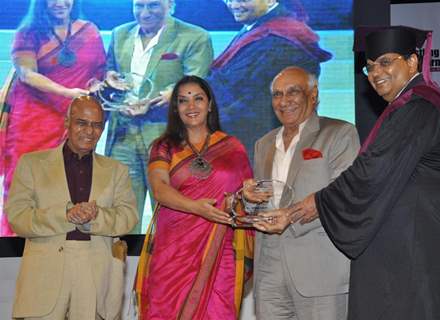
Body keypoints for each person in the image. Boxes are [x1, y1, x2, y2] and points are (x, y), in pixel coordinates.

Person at [254, 26, 440, 319]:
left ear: (412, 61)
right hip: (416, 246)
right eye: (370, 66)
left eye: (386, 62)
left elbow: (369, 175)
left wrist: (303, 209)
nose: (375, 73)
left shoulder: (417, 109)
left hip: (418, 252)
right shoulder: (411, 107)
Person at [6, 96, 138, 320]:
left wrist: (94, 218)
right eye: (81, 122)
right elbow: (17, 217)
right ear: (66, 122)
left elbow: (129, 217)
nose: (89, 131)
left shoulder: (117, 170)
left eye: (97, 125)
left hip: (96, 271)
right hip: (45, 273)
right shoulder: (31, 163)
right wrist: (65, 215)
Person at [134, 75, 253, 319]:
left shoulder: (233, 147)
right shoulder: (164, 147)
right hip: (173, 254)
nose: (191, 106)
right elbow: (159, 189)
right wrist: (197, 208)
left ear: (209, 104)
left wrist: (249, 195)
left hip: (220, 252)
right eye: (183, 101)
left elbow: (244, 196)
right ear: (175, 108)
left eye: (198, 98)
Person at [244, 66, 359, 319]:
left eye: (292, 92)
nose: (283, 101)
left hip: (319, 266)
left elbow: (343, 194)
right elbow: (264, 205)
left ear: (313, 94)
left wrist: (290, 216)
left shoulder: (339, 133)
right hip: (269, 267)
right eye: (276, 94)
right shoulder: (264, 143)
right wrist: (249, 200)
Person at [104, 0, 214, 232]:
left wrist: (161, 98)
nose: (144, 13)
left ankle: (169, 268)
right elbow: (109, 73)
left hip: (168, 140)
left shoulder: (194, 36)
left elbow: (195, 84)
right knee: (121, 219)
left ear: (170, 5)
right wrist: (110, 80)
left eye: (153, 5)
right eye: (138, 6)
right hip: (122, 138)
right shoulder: (119, 33)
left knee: (171, 219)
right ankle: (126, 268)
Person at [0, 0, 106, 236]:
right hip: (32, 122)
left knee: (69, 186)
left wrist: (103, 84)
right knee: (24, 184)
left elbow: (99, 72)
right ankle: (15, 246)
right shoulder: (28, 33)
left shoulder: (89, 31)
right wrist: (67, 93)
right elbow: (27, 74)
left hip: (76, 123)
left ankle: (60, 243)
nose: (60, 3)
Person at [207, 0, 332, 159]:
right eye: (229, 0)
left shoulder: (279, 40)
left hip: (265, 142)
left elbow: (249, 96)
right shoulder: (259, 28)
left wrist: (206, 118)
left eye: (242, 0)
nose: (233, 5)